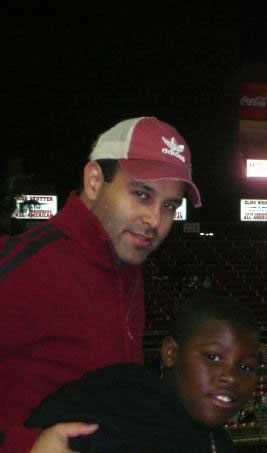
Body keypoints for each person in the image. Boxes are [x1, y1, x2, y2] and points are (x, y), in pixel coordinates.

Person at [0, 117, 201, 452]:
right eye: (140, 194)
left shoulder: (128, 271)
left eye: (169, 206)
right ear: (94, 181)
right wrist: (24, 446)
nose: (155, 220)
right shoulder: (30, 263)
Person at [26, 294, 258, 452]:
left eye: (246, 367)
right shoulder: (112, 403)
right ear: (171, 353)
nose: (231, 377)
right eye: (213, 357)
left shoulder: (218, 442)